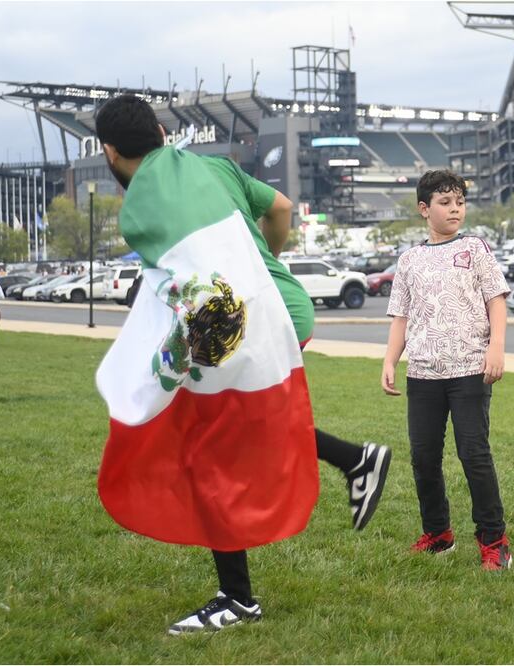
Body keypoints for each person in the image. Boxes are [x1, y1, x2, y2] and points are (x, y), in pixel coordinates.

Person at [94, 94, 392, 635]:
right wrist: (268, 266)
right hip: (286, 305)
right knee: (249, 427)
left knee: (208, 446)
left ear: (109, 151)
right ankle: (355, 460)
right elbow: (280, 208)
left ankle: (237, 598)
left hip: (242, 324)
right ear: (162, 130)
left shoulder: (140, 210)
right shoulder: (214, 166)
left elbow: (194, 295)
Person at [381, 169, 513, 571]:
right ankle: (438, 535)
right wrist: (389, 360)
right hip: (422, 373)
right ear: (424, 209)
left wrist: (496, 348)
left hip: (470, 368)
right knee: (423, 458)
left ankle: (494, 540)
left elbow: (497, 302)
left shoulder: (475, 249)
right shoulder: (409, 260)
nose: (454, 209)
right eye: (444, 202)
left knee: (474, 454)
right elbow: (401, 316)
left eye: (459, 202)